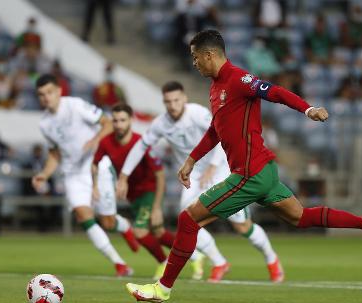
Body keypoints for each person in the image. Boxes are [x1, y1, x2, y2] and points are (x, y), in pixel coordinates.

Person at [125, 29, 362, 303]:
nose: (194, 63)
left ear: (210, 55)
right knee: (301, 218)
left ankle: (162, 289)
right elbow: (216, 129)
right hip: (263, 172)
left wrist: (307, 109)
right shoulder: (216, 89)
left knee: (189, 220)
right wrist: (191, 160)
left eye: (196, 57)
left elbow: (274, 92)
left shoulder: (238, 79)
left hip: (250, 174)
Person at [120, 81, 284, 282]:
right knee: (188, 220)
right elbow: (141, 146)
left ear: (184, 99)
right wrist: (124, 175)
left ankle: (271, 258)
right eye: (168, 101)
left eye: (176, 100)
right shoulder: (161, 123)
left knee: (242, 226)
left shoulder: (197, 113)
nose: (173, 105)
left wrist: (213, 166)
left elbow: (220, 132)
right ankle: (219, 262)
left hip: (221, 169)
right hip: (195, 176)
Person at [32, 74, 137, 277]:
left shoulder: (75, 105)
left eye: (49, 92)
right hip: (72, 173)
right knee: (83, 215)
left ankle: (123, 226)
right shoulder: (44, 124)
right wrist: (44, 174)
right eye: (41, 94)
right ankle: (120, 264)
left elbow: (107, 123)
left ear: (59, 91)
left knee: (108, 222)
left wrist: (95, 140)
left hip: (96, 166)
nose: (46, 97)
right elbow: (55, 153)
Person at [92, 103, 187, 280]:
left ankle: (164, 263)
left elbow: (159, 174)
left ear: (131, 121)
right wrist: (95, 185)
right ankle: (191, 252)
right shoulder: (106, 142)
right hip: (132, 196)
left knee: (140, 232)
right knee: (158, 233)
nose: (119, 124)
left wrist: (157, 206)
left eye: (123, 120)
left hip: (149, 191)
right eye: (115, 120)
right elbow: (95, 164)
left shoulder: (140, 142)